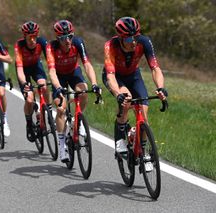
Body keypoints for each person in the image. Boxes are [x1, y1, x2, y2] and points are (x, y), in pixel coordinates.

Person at [102, 17, 168, 153]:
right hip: (115, 76)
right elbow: (110, 76)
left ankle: (142, 152)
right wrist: (118, 94)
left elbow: (155, 68)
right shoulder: (110, 46)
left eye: (135, 37)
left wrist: (160, 88)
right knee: (126, 100)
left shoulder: (144, 42)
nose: (133, 42)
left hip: (133, 75)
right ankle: (120, 139)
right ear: (120, 38)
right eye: (127, 39)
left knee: (144, 116)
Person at [46, 20, 101, 162]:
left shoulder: (78, 43)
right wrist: (58, 88)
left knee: (83, 93)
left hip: (73, 72)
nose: (68, 40)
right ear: (58, 39)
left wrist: (94, 83)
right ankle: (62, 143)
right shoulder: (51, 48)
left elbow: (87, 65)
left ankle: (79, 120)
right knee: (61, 109)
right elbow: (51, 71)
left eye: (70, 36)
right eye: (64, 38)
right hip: (59, 76)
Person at [14, 21, 50, 142]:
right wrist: (24, 84)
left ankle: (48, 109)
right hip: (23, 70)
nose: (33, 39)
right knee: (29, 99)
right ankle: (29, 123)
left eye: (35, 36)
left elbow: (51, 62)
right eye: (30, 37)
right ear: (25, 36)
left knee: (44, 86)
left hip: (36, 67)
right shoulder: (19, 45)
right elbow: (19, 69)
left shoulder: (42, 42)